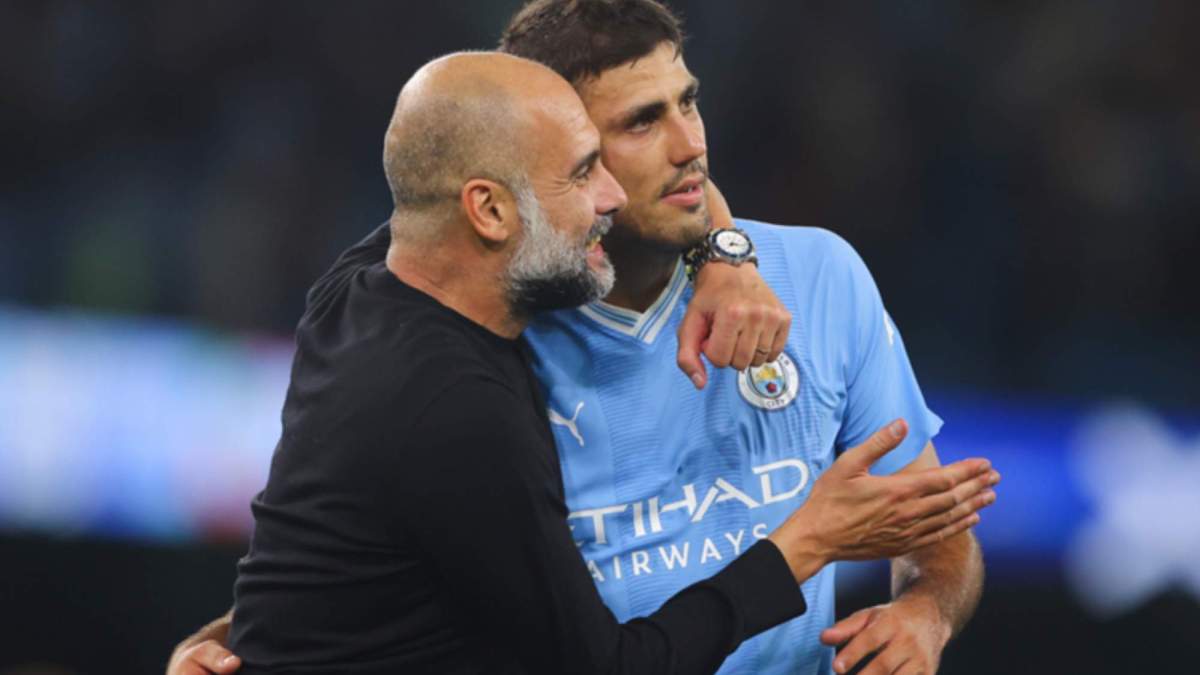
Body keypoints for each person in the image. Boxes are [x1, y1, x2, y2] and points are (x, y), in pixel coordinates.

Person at [170, 7, 1001, 675]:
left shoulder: (821, 277)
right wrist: (241, 640)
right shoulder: (481, 340)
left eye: (689, 101)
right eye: (638, 125)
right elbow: (401, 552)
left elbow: (936, 536)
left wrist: (924, 614)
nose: (692, 146)